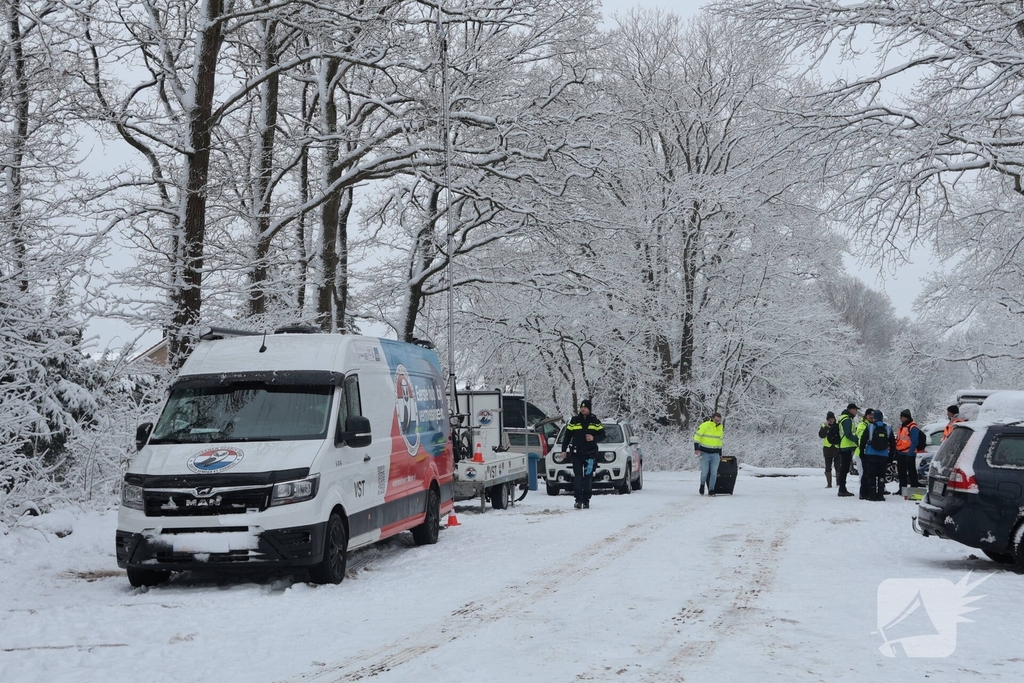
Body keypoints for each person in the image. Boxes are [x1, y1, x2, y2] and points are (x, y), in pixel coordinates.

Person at [560, 399, 604, 509]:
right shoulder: (574, 420)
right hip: (577, 453)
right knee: (578, 477)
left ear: (589, 408)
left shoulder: (595, 421)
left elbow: (603, 435)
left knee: (588, 477)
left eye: (585, 407)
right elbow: (567, 436)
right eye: (581, 407)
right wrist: (563, 449)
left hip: (590, 454)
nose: (583, 409)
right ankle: (578, 500)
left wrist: (594, 438)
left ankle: (586, 500)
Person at [859, 409, 896, 501]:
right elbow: (893, 444)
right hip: (883, 456)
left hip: (870, 454)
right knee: (881, 475)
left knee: (871, 475)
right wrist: (891, 456)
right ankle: (880, 494)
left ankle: (872, 495)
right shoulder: (888, 429)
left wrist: (862, 453)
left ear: (874, 418)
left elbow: (863, 441)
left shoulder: (870, 427)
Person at [694, 413, 724, 496]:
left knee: (714, 473)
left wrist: (720, 454)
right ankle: (702, 484)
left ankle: (711, 489)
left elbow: (720, 441)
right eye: (715, 420)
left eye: (718, 420)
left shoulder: (720, 428)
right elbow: (697, 436)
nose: (717, 422)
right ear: (712, 418)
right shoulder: (705, 425)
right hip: (705, 453)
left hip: (715, 454)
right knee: (705, 472)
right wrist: (696, 448)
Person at [835, 403, 860, 497]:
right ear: (850, 409)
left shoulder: (844, 418)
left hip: (844, 446)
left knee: (844, 468)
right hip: (846, 446)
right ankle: (842, 489)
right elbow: (848, 433)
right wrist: (857, 440)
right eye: (855, 410)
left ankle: (842, 488)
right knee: (844, 468)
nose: (856, 412)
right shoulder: (847, 419)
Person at [895, 409, 923, 490]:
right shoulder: (902, 427)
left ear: (905, 417)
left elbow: (914, 442)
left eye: (901, 417)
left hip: (909, 454)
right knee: (901, 473)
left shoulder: (913, 427)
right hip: (901, 453)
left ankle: (914, 489)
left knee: (911, 473)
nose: (900, 418)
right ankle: (902, 489)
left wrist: (910, 454)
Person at [817, 411, 841, 488]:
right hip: (827, 448)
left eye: (832, 418)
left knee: (838, 466)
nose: (831, 420)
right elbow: (821, 435)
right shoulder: (824, 425)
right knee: (828, 466)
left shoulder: (838, 425)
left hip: (836, 447)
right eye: (829, 419)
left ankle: (839, 482)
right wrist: (826, 427)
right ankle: (829, 483)